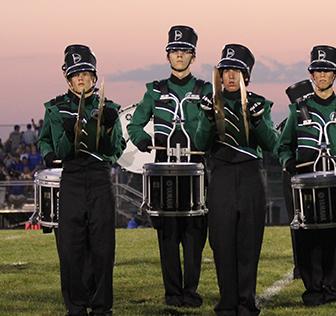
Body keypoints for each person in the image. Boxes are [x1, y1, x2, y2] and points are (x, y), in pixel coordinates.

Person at [275, 45, 336, 306]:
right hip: (306, 184)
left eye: (326, 71)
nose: (321, 75)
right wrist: (289, 162)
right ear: (311, 75)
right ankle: (312, 289)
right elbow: (282, 146)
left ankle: (331, 285)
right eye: (316, 71)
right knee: (308, 236)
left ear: (335, 75)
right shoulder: (298, 110)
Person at [127, 25, 211, 308]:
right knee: (167, 233)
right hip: (164, 169)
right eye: (174, 51)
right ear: (168, 56)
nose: (179, 56)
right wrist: (142, 140)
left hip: (195, 167)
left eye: (184, 51)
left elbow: (217, 125)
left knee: (195, 232)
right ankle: (173, 293)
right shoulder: (154, 91)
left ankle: (191, 290)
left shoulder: (206, 90)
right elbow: (135, 124)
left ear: (193, 56)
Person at [38, 44, 125, 315]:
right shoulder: (55, 109)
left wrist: (109, 127)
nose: (81, 79)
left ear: (94, 77)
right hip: (72, 179)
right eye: (76, 74)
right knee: (70, 248)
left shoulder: (109, 108)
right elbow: (46, 143)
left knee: (103, 248)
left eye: (86, 73)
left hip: (100, 179)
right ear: (68, 78)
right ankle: (75, 307)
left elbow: (115, 151)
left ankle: (101, 307)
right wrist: (52, 149)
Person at [195, 43, 279, 315]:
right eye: (226, 70)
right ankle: (227, 301)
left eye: (237, 71)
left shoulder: (260, 103)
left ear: (247, 76)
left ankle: (246, 301)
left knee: (248, 241)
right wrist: (207, 118)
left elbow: (272, 145)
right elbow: (200, 143)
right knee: (221, 241)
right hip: (220, 174)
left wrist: (258, 121)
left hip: (250, 175)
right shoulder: (209, 102)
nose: (230, 76)